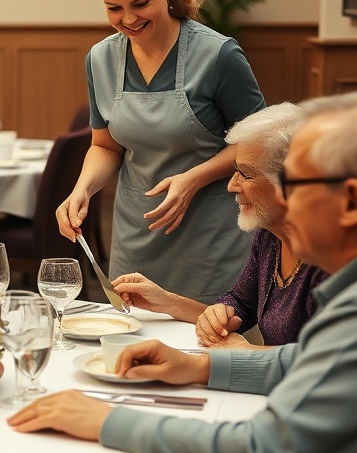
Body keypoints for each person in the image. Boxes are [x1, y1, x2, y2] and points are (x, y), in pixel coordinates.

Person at [12, 92, 357, 453]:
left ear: (354, 200)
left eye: (294, 183)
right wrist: (201, 364)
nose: (283, 201)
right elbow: (314, 361)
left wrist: (107, 422)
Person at [56, 0, 266, 304]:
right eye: (114, 8)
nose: (129, 19)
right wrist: (82, 190)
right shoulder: (100, 60)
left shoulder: (218, 55)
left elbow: (257, 144)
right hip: (136, 237)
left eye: (140, 4)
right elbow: (105, 146)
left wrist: (192, 179)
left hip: (210, 241)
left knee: (207, 349)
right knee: (127, 352)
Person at [112, 102, 327, 347]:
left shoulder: (332, 261)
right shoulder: (271, 235)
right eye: (235, 170)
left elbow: (326, 368)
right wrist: (167, 302)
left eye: (245, 174)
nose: (231, 185)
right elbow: (241, 303)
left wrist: (248, 354)